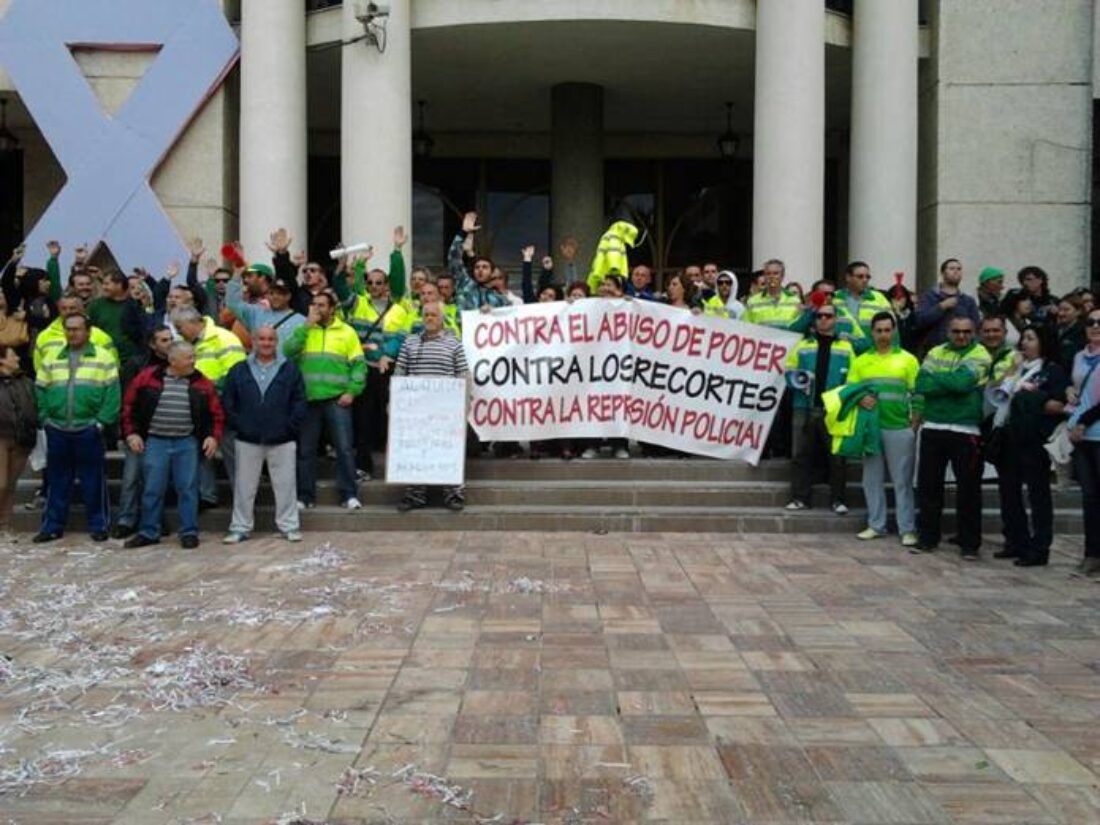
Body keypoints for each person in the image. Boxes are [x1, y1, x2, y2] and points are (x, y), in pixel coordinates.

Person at [121, 341, 223, 550]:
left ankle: (189, 532)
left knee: (188, 488)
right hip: (155, 440)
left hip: (186, 442)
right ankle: (149, 531)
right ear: (173, 360)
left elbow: (216, 413)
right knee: (152, 488)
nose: (193, 361)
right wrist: (131, 434)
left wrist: (213, 437)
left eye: (193, 356)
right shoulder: (147, 378)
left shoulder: (202, 383)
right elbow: (129, 406)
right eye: (188, 357)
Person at [33, 314, 120, 543]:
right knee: (57, 480)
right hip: (58, 429)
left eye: (77, 329)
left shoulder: (103, 357)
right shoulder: (51, 356)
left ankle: (99, 526)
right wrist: (45, 418)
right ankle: (52, 526)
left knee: (94, 481)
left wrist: (101, 422)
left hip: (88, 430)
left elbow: (112, 394)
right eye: (68, 329)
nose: (72, 333)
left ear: (88, 331)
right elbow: (40, 389)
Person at [912, 316, 992, 558]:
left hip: (965, 430)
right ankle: (927, 538)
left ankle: (969, 544)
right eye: (956, 331)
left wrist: (941, 380)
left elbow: (963, 384)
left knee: (968, 490)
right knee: (929, 486)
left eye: (966, 332)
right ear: (948, 332)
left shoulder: (980, 354)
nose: (961, 336)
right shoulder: (936, 351)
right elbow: (921, 384)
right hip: (933, 427)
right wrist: (951, 383)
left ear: (973, 333)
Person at [222, 325, 308, 543]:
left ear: (276, 342)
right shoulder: (238, 369)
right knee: (244, 486)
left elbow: (299, 402)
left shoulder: (289, 369)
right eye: (262, 339)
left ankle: (289, 526)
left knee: (286, 484)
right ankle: (240, 527)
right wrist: (240, 425)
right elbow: (228, 402)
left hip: (282, 438)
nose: (266, 343)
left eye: (271, 339)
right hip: (248, 438)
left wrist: (289, 427)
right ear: (252, 341)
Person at [993, 326, 1068, 567]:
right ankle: (1015, 540)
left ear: (1043, 342)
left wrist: (1033, 396)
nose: (1025, 344)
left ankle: (1039, 547)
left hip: (1034, 438)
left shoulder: (1051, 371)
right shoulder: (1017, 368)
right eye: (1023, 339)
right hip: (1009, 435)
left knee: (1038, 494)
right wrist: (1012, 373)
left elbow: (1056, 403)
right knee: (1009, 491)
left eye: (1030, 338)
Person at [283, 291, 366, 510]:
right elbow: (287, 351)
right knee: (306, 451)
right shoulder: (304, 329)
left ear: (332, 308)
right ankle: (305, 496)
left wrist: (352, 391)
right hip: (309, 400)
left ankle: (349, 494)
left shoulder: (347, 332)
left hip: (337, 399)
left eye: (321, 305)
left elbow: (358, 365)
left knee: (344, 448)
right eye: (314, 305)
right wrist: (305, 327)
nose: (317, 309)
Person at [848, 312, 920, 546]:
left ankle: (907, 528)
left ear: (894, 330)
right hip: (871, 428)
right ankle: (876, 525)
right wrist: (859, 399)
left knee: (903, 481)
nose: (883, 335)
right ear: (872, 332)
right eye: (878, 331)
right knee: (871, 479)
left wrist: (915, 422)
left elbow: (918, 393)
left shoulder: (908, 360)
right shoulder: (860, 361)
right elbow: (850, 391)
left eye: (887, 330)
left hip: (899, 427)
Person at [393, 301, 469, 512]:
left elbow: (463, 374)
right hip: (415, 410)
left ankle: (454, 494)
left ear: (442, 318)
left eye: (434, 315)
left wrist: (465, 404)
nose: (429, 318)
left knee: (449, 450)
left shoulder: (454, 343)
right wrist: (395, 401)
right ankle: (415, 494)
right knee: (415, 451)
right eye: (426, 315)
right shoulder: (409, 343)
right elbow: (399, 372)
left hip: (445, 410)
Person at [173, 306, 246, 508]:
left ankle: (242, 496)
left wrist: (209, 388)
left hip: (224, 405)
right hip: (196, 408)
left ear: (192, 323)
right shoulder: (184, 344)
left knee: (232, 453)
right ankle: (207, 495)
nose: (178, 332)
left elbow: (237, 373)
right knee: (201, 450)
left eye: (180, 327)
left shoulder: (224, 338)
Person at [784, 302, 854, 513]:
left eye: (828, 316)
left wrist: (842, 399)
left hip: (834, 409)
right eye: (820, 316)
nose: (824, 319)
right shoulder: (802, 344)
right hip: (804, 406)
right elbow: (788, 371)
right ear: (814, 320)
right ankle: (800, 498)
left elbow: (853, 377)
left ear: (835, 320)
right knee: (800, 456)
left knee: (837, 457)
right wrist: (800, 379)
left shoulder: (846, 347)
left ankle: (838, 500)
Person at [111, 326, 174, 538]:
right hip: (139, 430)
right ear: (152, 344)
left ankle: (153, 519)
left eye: (171, 339)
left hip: (164, 431)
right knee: (131, 477)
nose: (169, 343)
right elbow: (127, 402)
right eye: (164, 340)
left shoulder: (177, 364)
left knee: (157, 480)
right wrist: (129, 431)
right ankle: (126, 519)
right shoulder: (136, 365)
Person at [1067, 306, 1100, 578]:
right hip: (1081, 436)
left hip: (1094, 430)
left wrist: (1084, 421)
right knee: (1089, 497)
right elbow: (1079, 387)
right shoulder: (1079, 356)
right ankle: (1091, 554)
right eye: (1091, 321)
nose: (1095, 326)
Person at [0, 344, 36, 539]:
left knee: (11, 484)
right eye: (13, 356)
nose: (18, 360)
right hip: (1, 436)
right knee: (1, 483)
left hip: (22, 438)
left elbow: (32, 404)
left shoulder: (25, 382)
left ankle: (5, 525)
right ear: (2, 360)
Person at [33, 294, 117, 374]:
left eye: (72, 308)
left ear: (82, 309)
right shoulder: (45, 336)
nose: (68, 312)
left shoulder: (101, 336)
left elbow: (112, 367)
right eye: (64, 308)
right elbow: (39, 369)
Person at [226, 263, 305, 347]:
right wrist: (237, 275)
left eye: (280, 293)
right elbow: (233, 303)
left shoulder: (301, 321)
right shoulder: (256, 313)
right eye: (272, 293)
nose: (275, 297)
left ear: (288, 296)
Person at [448, 211, 512, 311]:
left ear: (492, 272)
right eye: (477, 267)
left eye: (485, 267)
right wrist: (463, 232)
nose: (480, 270)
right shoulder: (464, 283)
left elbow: (509, 319)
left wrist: (494, 312)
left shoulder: (501, 300)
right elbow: (454, 258)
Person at [913, 258, 981, 352]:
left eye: (959, 269)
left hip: (962, 352)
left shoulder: (968, 301)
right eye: (952, 268)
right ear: (943, 273)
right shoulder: (929, 297)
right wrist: (941, 307)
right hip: (934, 352)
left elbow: (976, 328)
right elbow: (920, 321)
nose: (956, 271)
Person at [87, 270, 145, 367]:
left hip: (130, 361)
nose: (103, 287)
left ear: (119, 285)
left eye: (107, 284)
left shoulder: (134, 306)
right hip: (103, 360)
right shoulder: (96, 306)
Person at [743, 259, 801, 329]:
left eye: (775, 273)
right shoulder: (752, 301)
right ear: (764, 276)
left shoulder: (794, 300)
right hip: (762, 339)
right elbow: (746, 328)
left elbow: (798, 328)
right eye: (768, 274)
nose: (771, 277)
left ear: (782, 276)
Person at [1051, 292, 1086, 371]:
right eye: (1060, 309)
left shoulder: (1082, 331)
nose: (1061, 313)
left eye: (1066, 310)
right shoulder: (1055, 329)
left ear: (1078, 311)